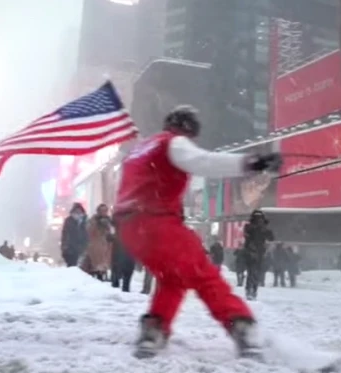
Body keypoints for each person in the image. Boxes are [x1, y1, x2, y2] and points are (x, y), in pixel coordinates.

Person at [114, 105, 281, 359]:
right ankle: (242, 326)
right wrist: (252, 162)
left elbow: (145, 184)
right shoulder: (174, 143)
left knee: (174, 277)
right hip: (156, 223)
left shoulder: (140, 149)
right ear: (189, 130)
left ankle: (154, 329)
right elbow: (204, 161)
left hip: (129, 228)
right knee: (203, 272)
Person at [242, 210, 274, 301]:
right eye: (257, 219)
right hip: (250, 252)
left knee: (256, 273)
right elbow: (247, 234)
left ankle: (253, 290)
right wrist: (260, 227)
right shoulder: (249, 227)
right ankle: (250, 290)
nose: (259, 220)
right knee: (251, 272)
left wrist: (265, 228)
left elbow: (271, 238)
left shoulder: (263, 228)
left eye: (260, 219)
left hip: (259, 253)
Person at [83, 204, 113, 279]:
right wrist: (97, 224)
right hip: (96, 245)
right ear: (98, 211)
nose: (104, 212)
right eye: (102, 210)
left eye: (105, 210)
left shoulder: (109, 220)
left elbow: (112, 231)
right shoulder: (93, 220)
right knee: (96, 264)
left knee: (104, 263)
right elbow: (89, 230)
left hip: (106, 245)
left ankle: (103, 273)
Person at [60, 203, 87, 268]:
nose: (78, 213)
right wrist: (64, 246)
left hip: (82, 247)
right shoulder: (68, 221)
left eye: (79, 212)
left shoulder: (85, 221)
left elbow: (87, 234)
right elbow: (65, 234)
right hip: (70, 249)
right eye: (76, 212)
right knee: (72, 266)